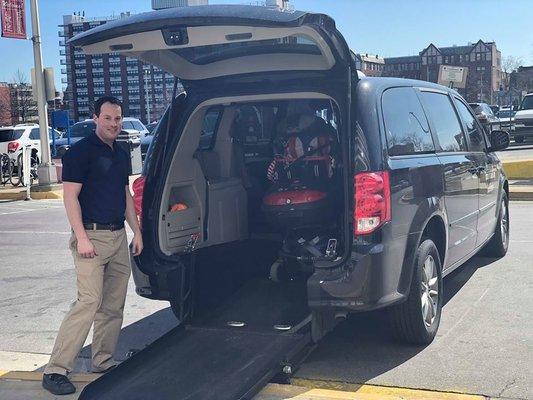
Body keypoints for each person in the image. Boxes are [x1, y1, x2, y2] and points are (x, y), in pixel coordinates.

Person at [42, 96, 143, 395]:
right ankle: (55, 370)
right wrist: (82, 237)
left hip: (116, 237)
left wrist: (135, 231)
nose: (114, 123)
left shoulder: (121, 152)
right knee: (88, 303)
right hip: (92, 237)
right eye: (108, 118)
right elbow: (70, 196)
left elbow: (124, 194)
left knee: (113, 306)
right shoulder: (80, 152)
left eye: (118, 118)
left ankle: (102, 360)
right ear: (96, 117)